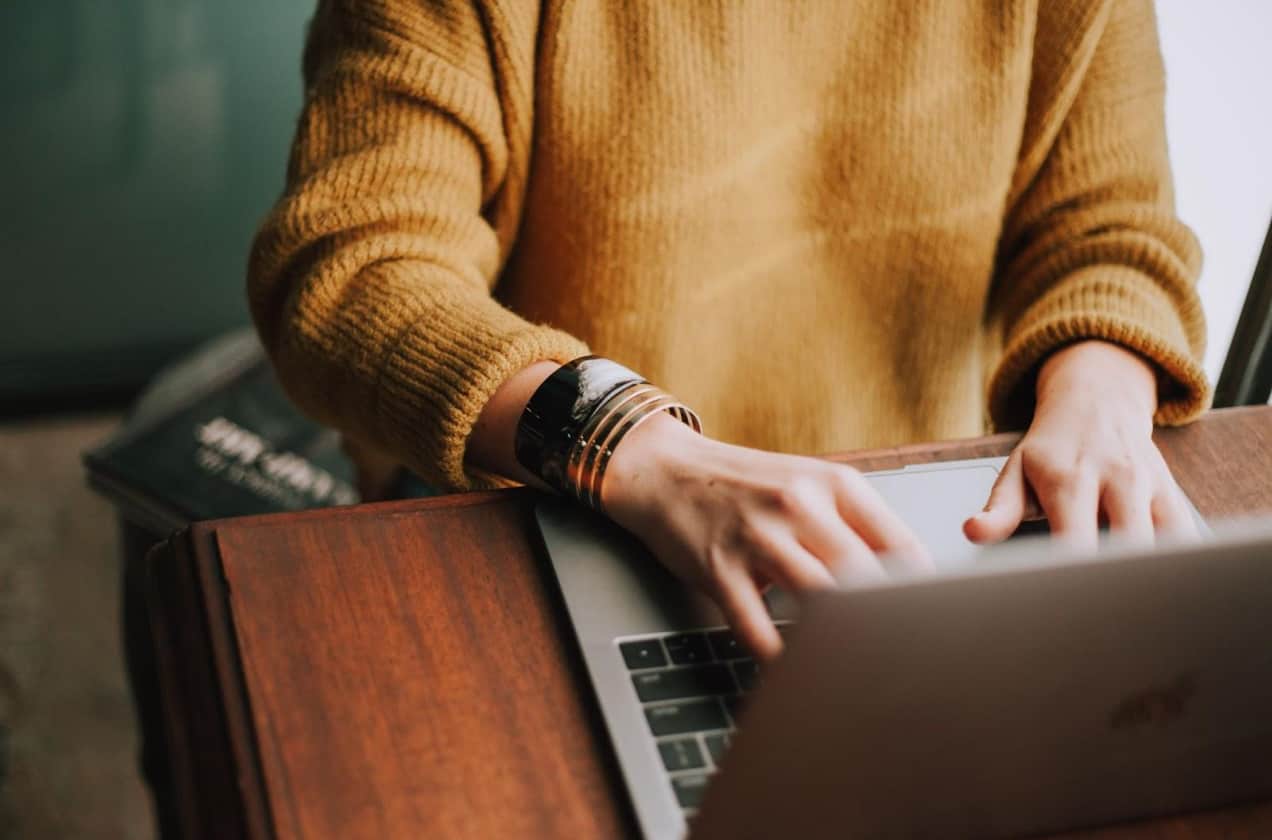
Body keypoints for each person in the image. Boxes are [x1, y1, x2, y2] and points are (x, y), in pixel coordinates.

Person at [248, 0, 1207, 659]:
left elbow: (1110, 229)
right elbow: (350, 268)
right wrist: (628, 445)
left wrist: (1103, 388)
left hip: (915, 537)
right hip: (556, 508)